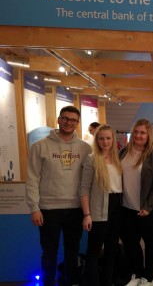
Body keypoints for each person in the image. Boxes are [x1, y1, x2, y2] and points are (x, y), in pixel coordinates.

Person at [26, 106, 92, 286]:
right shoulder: (39, 146)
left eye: (73, 120)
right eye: (65, 118)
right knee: (49, 252)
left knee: (72, 251)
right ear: (58, 119)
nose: (69, 123)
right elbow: (32, 178)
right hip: (48, 209)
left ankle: (69, 282)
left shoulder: (85, 148)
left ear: (77, 123)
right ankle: (48, 283)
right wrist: (34, 208)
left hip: (75, 209)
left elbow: (88, 181)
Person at [120, 119, 153, 286]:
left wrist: (148, 206)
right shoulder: (124, 152)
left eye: (142, 132)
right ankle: (138, 274)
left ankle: (148, 278)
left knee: (152, 242)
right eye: (136, 132)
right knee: (130, 243)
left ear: (148, 134)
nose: (138, 135)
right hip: (128, 207)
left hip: (152, 208)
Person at [80, 124, 122, 286]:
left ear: (113, 139)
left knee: (111, 250)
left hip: (117, 207)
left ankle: (107, 282)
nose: (105, 142)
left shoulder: (118, 158)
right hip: (98, 208)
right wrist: (87, 214)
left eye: (108, 138)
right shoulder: (91, 159)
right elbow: (84, 189)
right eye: (101, 138)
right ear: (97, 140)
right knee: (94, 251)